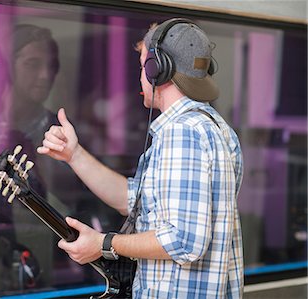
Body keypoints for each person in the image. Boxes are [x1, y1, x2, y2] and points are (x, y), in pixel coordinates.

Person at [37, 18, 244, 298]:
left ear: (158, 70)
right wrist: (75, 155)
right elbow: (134, 201)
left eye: (143, 66)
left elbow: (183, 241)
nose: (141, 76)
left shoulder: (183, 133)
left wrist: (103, 243)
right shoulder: (214, 128)